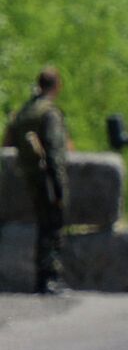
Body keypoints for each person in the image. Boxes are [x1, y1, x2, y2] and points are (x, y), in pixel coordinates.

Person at [6, 66, 70, 295]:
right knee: (52, 227)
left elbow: (9, 141)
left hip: (30, 176)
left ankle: (42, 278)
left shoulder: (25, 111)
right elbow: (54, 151)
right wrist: (60, 188)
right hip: (47, 178)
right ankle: (50, 278)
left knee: (44, 226)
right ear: (56, 85)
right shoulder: (48, 112)